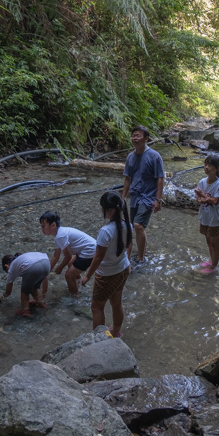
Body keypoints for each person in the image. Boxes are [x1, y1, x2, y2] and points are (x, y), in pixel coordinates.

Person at [80, 192, 132, 337]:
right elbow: (129, 245)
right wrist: (127, 262)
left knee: (96, 306)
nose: (101, 210)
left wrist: (87, 276)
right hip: (123, 269)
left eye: (103, 208)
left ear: (109, 210)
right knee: (116, 302)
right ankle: (115, 331)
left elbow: (98, 257)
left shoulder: (105, 231)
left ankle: (98, 339)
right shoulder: (127, 224)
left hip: (108, 274)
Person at [122, 125, 165, 263]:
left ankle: (141, 257)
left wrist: (158, 199)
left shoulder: (154, 156)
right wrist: (122, 198)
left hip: (149, 196)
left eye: (138, 135)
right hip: (135, 196)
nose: (135, 138)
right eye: (133, 135)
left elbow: (160, 178)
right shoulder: (130, 156)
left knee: (138, 225)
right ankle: (128, 256)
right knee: (130, 226)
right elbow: (128, 178)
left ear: (146, 139)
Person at [39, 211, 97, 296]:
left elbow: (68, 256)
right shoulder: (59, 235)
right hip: (88, 249)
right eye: (41, 226)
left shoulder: (60, 236)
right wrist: (47, 271)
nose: (42, 228)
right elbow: (56, 256)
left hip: (89, 251)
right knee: (70, 265)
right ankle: (78, 285)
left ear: (53, 225)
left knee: (68, 276)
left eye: (44, 226)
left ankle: (75, 297)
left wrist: (60, 267)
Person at [194, 155, 219, 274]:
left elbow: (215, 201)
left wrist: (202, 196)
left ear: (216, 169)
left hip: (215, 218)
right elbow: (198, 198)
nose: (206, 167)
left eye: (210, 165)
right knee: (208, 241)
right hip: (205, 216)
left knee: (214, 243)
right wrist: (200, 199)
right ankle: (212, 260)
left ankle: (213, 266)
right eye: (205, 164)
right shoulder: (202, 181)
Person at [0, 252, 51, 317]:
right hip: (46, 263)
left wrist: (1, 298)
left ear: (6, 266)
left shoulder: (11, 268)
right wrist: (44, 293)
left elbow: (8, 292)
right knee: (35, 288)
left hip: (33, 267)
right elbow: (45, 278)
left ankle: (25, 311)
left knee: (24, 292)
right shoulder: (23, 260)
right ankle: (40, 303)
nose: (8, 273)